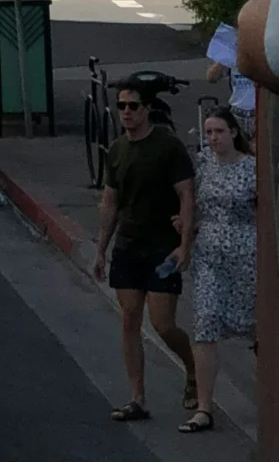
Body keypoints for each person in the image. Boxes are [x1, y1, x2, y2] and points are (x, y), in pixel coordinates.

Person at [94, 80, 198, 423]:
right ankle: (137, 398)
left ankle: (193, 369)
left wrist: (184, 245)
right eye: (121, 106)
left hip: (161, 247)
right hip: (128, 246)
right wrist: (101, 249)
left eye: (133, 106)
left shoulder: (167, 146)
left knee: (163, 324)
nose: (126, 112)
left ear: (146, 109)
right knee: (129, 320)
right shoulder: (117, 150)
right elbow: (110, 201)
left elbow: (186, 194)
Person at [182, 104, 256, 434]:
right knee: (206, 321)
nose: (213, 138)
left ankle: (269, 400)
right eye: (209, 132)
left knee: (257, 327)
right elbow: (191, 203)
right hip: (210, 254)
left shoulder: (252, 169)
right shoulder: (203, 165)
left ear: (233, 132)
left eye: (219, 132)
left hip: (246, 255)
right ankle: (204, 407)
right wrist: (186, 228)